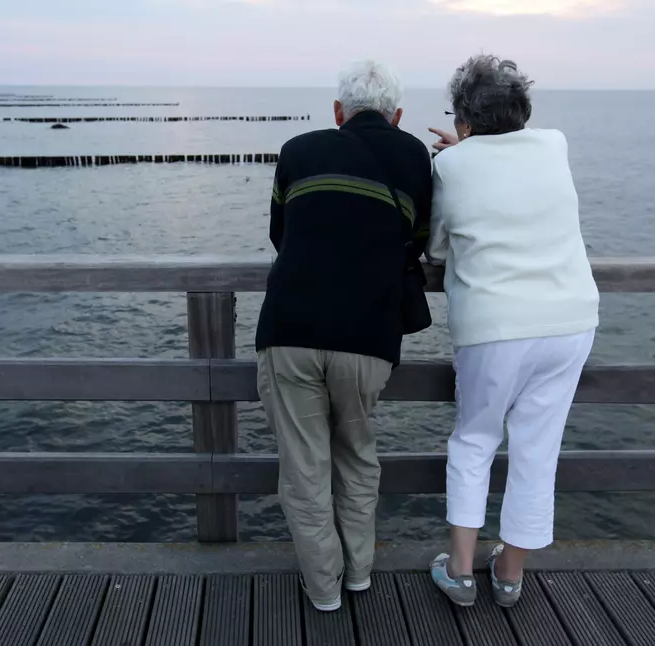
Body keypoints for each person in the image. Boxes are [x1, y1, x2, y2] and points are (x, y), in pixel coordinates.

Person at [256, 60, 432, 612]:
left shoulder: (297, 149)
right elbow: (420, 241)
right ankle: (359, 574)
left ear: (338, 112)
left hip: (291, 330)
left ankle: (323, 589)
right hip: (368, 338)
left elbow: (278, 234)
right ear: (398, 116)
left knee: (304, 468)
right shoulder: (414, 156)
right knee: (357, 455)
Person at [425, 55, 599, 608]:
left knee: (475, 440)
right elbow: (511, 169)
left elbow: (436, 247)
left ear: (464, 120)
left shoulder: (450, 168)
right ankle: (508, 574)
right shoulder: (555, 145)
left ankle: (459, 571)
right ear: (522, 111)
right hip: (570, 321)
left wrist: (460, 158)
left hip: (496, 326)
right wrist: (472, 152)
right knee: (537, 448)